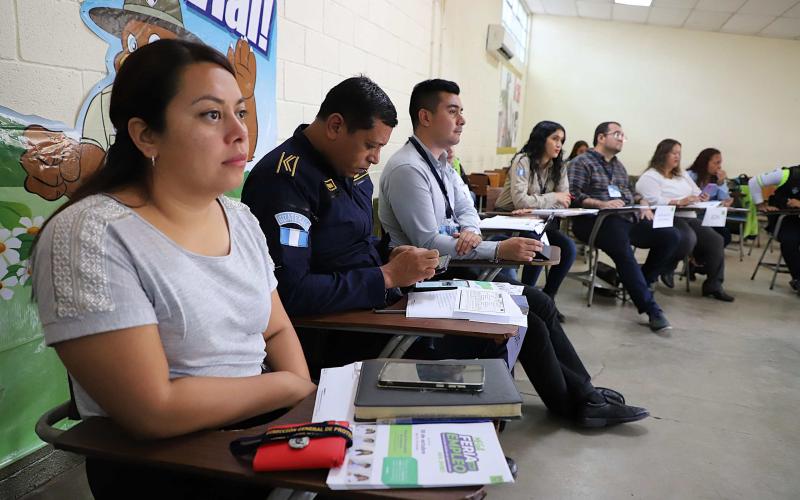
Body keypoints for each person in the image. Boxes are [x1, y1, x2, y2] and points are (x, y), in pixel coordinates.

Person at [31, 40, 315, 499]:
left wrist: (302, 412)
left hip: (260, 435)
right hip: (175, 467)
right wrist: (288, 386)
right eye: (211, 114)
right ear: (146, 135)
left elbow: (276, 331)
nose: (240, 133)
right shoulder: (89, 234)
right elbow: (153, 411)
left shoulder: (238, 218)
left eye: (239, 112)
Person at [380, 79, 649, 428]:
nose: (462, 119)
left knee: (540, 301)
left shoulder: (442, 164)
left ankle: (584, 393)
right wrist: (496, 249)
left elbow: (467, 213)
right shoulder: (408, 168)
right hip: (426, 283)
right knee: (530, 321)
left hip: (455, 269)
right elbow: (429, 243)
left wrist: (472, 234)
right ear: (425, 117)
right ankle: (577, 403)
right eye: (453, 111)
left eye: (462, 112)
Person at [241, 76, 439, 370]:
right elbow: (291, 292)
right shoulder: (284, 180)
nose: (375, 158)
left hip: (376, 308)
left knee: (517, 319)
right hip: (339, 332)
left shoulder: (352, 169)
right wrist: (385, 276)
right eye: (370, 145)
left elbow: (346, 242)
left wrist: (389, 253)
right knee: (472, 351)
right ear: (335, 126)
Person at [568, 122, 680, 332]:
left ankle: (640, 283)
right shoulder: (581, 162)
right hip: (595, 221)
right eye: (617, 134)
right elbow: (573, 195)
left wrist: (643, 203)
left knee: (670, 235)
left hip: (625, 219)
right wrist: (601, 203)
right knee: (623, 250)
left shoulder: (619, 166)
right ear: (601, 138)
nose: (621, 138)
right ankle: (651, 309)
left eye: (623, 136)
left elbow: (631, 193)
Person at [636, 139, 734, 302]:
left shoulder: (681, 174)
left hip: (689, 215)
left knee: (716, 240)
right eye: (674, 153)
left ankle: (714, 285)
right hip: (666, 216)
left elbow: (695, 192)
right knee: (689, 237)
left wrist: (701, 197)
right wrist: (677, 201)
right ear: (663, 154)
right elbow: (650, 200)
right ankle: (668, 267)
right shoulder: (651, 176)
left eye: (679, 153)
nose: (677, 157)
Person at [493, 120, 577, 303]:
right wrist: (553, 197)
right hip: (508, 218)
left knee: (569, 249)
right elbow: (520, 201)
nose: (559, 145)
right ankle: (528, 296)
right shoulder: (523, 161)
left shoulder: (559, 166)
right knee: (538, 244)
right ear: (541, 139)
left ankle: (548, 297)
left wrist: (536, 208)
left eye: (562, 140)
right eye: (554, 138)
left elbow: (565, 202)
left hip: (539, 221)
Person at [748, 164, 800, 294]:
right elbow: (754, 182)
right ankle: (798, 278)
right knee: (790, 240)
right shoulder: (788, 174)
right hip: (785, 219)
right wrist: (760, 204)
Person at [687, 148, 733, 246]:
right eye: (716, 163)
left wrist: (721, 183)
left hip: (710, 217)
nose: (719, 166)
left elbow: (724, 200)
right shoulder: (690, 176)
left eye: (720, 163)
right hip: (693, 215)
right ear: (705, 163)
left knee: (725, 236)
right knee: (715, 237)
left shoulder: (716, 178)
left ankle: (702, 258)